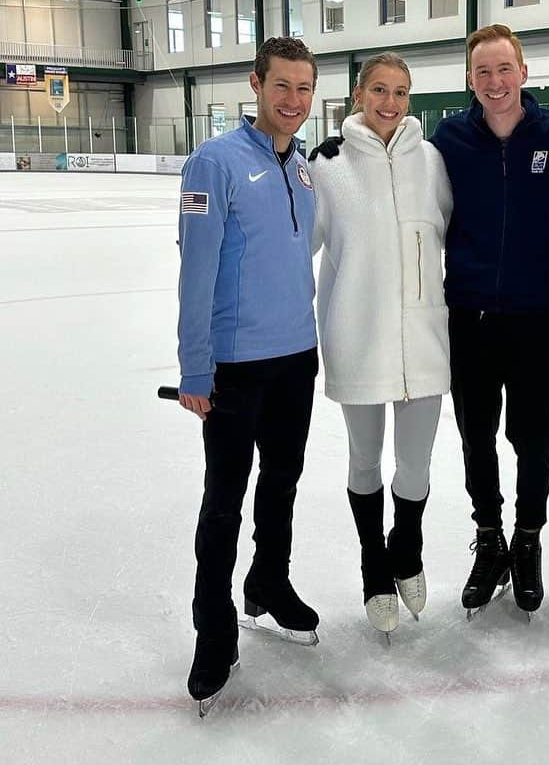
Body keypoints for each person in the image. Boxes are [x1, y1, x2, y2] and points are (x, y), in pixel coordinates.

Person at [176, 37, 320, 714]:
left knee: (283, 483)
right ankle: (214, 628)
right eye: (282, 86)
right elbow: (196, 272)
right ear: (256, 85)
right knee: (224, 501)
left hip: (297, 357)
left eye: (304, 89)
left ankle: (269, 582)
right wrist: (194, 367)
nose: (294, 102)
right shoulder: (215, 161)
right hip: (234, 367)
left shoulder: (305, 169)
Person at [428, 24, 549, 616]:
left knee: (533, 433)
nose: (494, 83)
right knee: (477, 434)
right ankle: (489, 537)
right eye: (482, 72)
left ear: (523, 71)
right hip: (468, 315)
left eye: (503, 69)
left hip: (535, 317)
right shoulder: (449, 139)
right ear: (471, 79)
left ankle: (527, 537)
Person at [307, 53, 452, 638]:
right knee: (364, 459)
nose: (389, 103)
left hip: (423, 339)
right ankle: (374, 564)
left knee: (415, 463)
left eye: (400, 92)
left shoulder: (431, 160)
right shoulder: (327, 165)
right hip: (357, 337)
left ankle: (407, 547)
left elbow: (451, 233)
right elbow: (299, 250)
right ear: (359, 93)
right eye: (379, 90)